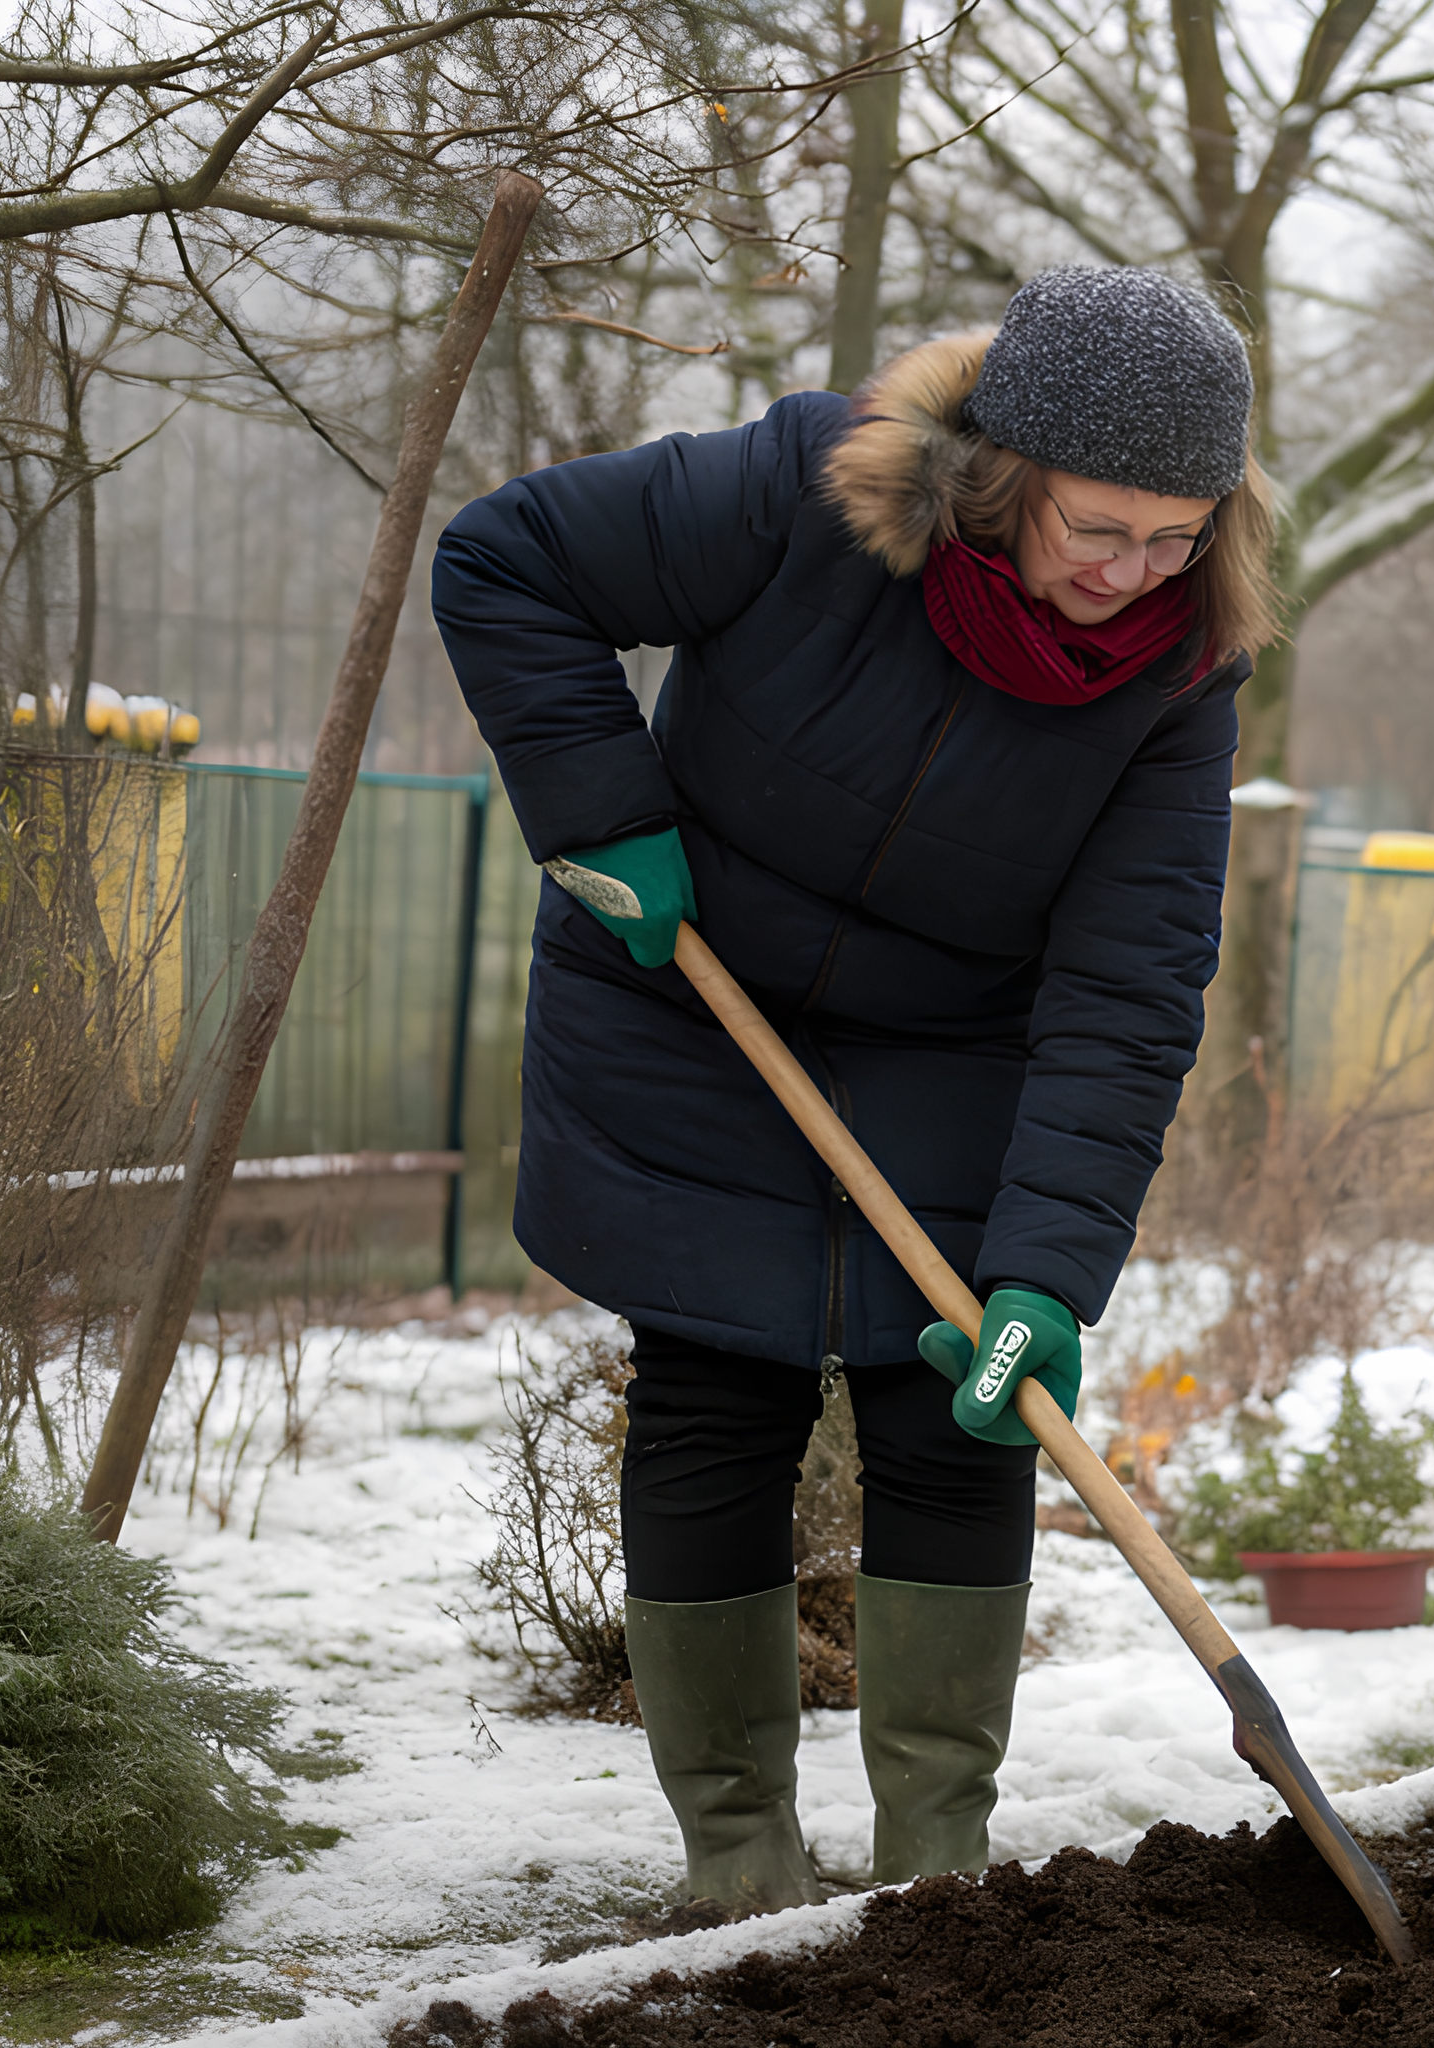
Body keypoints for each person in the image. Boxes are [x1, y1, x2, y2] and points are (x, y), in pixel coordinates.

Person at [431, 267, 1275, 1911]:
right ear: (999, 471)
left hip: (958, 1043)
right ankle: (737, 1858)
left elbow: (1128, 987)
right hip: (694, 992)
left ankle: (938, 1875)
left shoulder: (1182, 678)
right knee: (715, 1393)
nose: (1133, 574)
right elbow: (507, 558)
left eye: (1179, 536)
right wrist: (602, 815)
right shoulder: (803, 494)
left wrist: (1046, 1269)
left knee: (963, 1409)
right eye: (1099, 526)